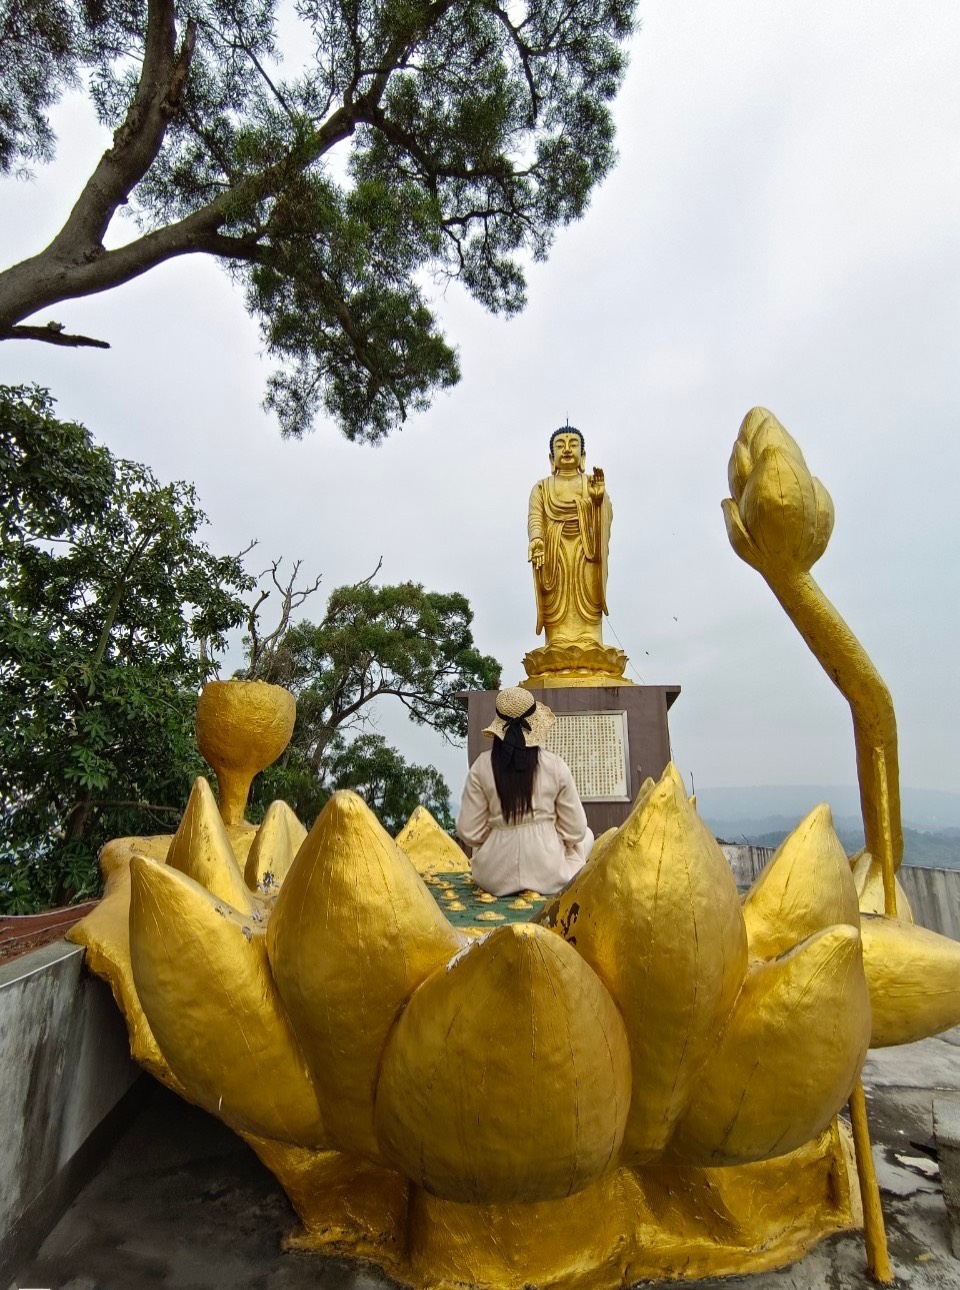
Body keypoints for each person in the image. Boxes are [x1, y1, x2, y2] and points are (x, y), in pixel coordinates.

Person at [456, 687, 594, 897]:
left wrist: (499, 833)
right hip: (549, 872)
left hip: (494, 876)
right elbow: (575, 830)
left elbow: (469, 831)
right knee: (588, 836)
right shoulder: (554, 765)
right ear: (535, 724)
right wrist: (549, 835)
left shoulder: (482, 766)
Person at [528, 425, 612, 649]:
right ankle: (557, 639)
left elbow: (605, 516)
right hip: (555, 552)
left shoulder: (591, 484)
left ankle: (590, 637)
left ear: (582, 455)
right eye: (560, 445)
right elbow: (535, 516)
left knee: (588, 590)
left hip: (587, 550)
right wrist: (537, 539)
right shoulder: (542, 488)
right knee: (556, 595)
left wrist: (597, 501)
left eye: (573, 445)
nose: (566, 449)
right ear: (551, 457)